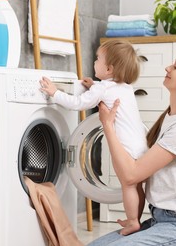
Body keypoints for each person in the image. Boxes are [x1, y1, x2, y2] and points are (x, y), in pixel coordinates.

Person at [83, 46, 176, 246]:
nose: (167, 68)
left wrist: (108, 127)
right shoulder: (171, 118)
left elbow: (131, 175)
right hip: (160, 219)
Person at [39, 39, 148, 235]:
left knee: (127, 184)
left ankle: (133, 222)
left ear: (109, 69)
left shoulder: (103, 88)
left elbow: (78, 103)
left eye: (98, 59)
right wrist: (94, 86)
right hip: (140, 144)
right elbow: (105, 91)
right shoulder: (125, 87)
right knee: (135, 184)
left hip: (125, 148)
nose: (94, 62)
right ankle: (135, 219)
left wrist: (55, 93)